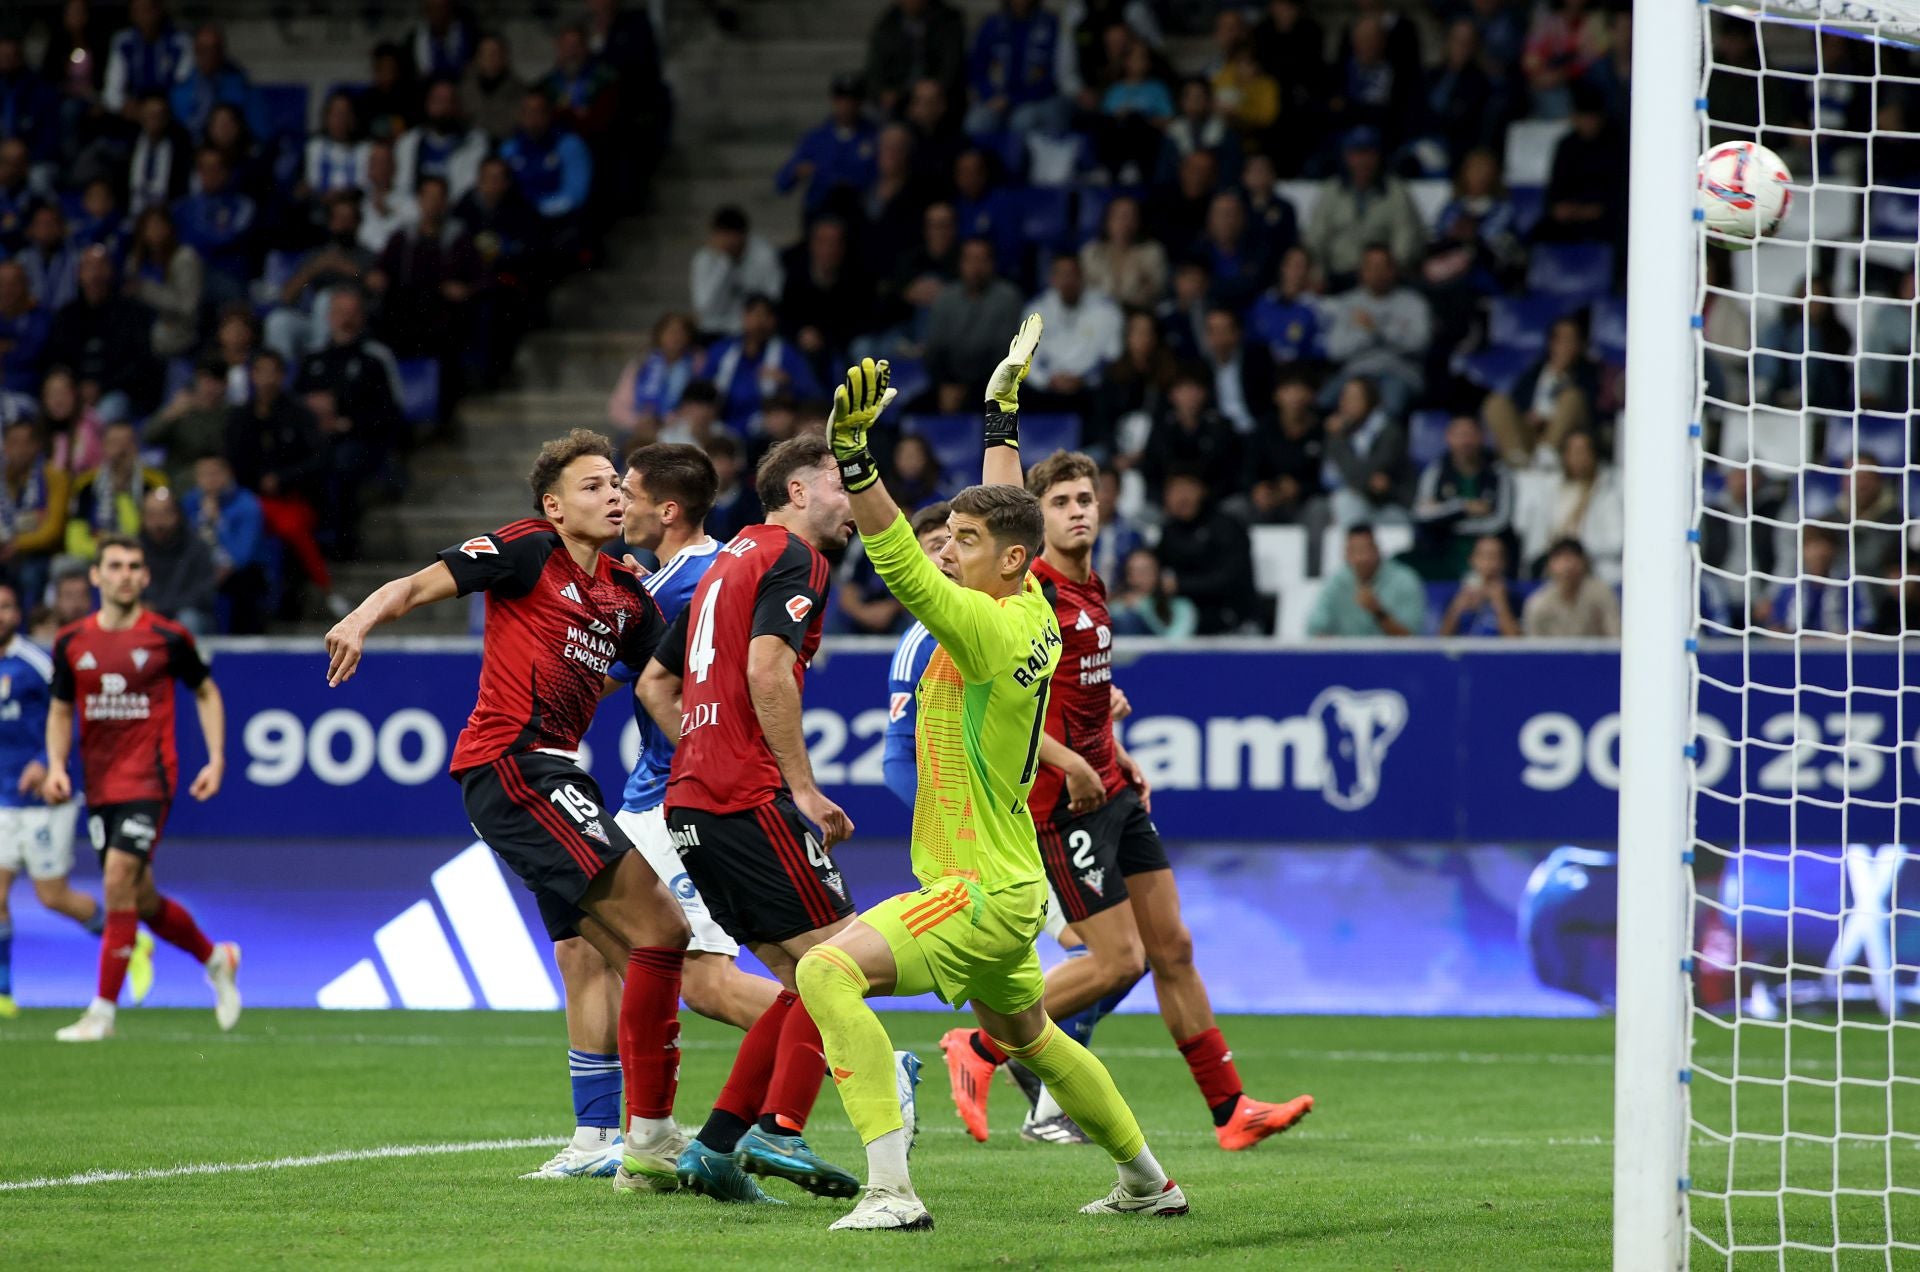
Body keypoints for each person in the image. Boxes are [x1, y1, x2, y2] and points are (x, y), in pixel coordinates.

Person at [801, 336, 1187, 1230]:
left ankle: (891, 1193)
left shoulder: (984, 628)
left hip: (975, 889)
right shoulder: (1036, 601)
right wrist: (1000, 416)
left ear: (1007, 562)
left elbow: (894, 557)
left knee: (825, 972)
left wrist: (857, 459)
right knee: (1032, 1038)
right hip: (1014, 881)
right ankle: (1148, 1181)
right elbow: (1008, 511)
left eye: (963, 544)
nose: (947, 552)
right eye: (949, 540)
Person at [323, 428, 689, 1187]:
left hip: (559, 771)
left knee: (585, 953)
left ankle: (595, 1140)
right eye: (592, 486)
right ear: (552, 507)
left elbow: (665, 676)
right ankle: (665, 1130)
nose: (614, 494)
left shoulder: (625, 590)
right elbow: (417, 586)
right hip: (513, 763)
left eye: (617, 483)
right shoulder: (526, 548)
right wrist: (359, 619)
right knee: (660, 931)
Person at [944, 443, 1308, 1145]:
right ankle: (979, 1044)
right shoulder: (1032, 592)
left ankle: (1232, 1111)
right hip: (1061, 803)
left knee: (1173, 947)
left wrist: (1116, 754)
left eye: (1086, 499)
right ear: (1036, 517)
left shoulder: (1091, 585)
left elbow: (1075, 701)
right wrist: (1073, 765)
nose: (1078, 512)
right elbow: (992, 707)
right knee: (1119, 961)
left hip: (1110, 790)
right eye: (1060, 503)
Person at [519, 443, 780, 1182]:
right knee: (582, 947)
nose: (616, 502)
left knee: (698, 978)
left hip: (680, 798)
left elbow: (615, 682)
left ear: (665, 509)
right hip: (646, 794)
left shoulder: (687, 585)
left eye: (623, 490)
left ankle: (863, 1056)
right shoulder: (674, 577)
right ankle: (596, 1134)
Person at [634, 435, 868, 1204]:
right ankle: (782, 1128)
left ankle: (714, 1148)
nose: (852, 502)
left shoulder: (726, 562)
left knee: (805, 978)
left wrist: (702, 750)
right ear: (798, 492)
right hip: (745, 797)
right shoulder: (795, 559)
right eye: (840, 485)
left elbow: (655, 686)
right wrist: (798, 788)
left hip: (692, 801)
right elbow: (768, 669)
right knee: (845, 962)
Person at [44, 532, 236, 1041]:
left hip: (151, 778)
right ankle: (215, 958)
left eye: (134, 566)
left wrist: (216, 758)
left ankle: (101, 1013)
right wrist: (57, 765)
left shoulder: (168, 637)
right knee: (140, 898)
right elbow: (62, 709)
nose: (125, 574)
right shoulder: (71, 643)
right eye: (115, 565)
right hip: (101, 785)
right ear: (96, 575)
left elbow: (206, 691)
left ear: (145, 577)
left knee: (116, 880)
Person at [0, 580, 113, 1020]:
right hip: (1, 798)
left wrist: (47, 760)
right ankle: (5, 991)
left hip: (43, 798)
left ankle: (124, 939)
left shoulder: (35, 663)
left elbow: (69, 712)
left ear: (19, 613)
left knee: (52, 897)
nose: (1, 615)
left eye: (7, 607)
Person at [880, 500, 953, 809]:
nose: (949, 554)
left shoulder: (1010, 614)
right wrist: (941, 821)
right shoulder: (918, 647)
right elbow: (897, 759)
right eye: (937, 546)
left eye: (958, 540)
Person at [1411, 414, 1513, 581]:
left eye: (1470, 435)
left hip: (1488, 555)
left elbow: (1500, 521)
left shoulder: (1499, 473)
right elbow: (1421, 514)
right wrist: (1464, 506)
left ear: (1481, 437)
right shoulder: (1435, 472)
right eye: (1459, 435)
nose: (1465, 442)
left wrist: (1447, 521)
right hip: (1444, 551)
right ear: (1448, 438)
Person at [182, 455, 267, 634]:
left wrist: (218, 522)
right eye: (204, 475)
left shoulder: (247, 505)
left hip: (238, 579)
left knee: (245, 583)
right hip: (198, 577)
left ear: (228, 474)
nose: (210, 480)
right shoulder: (189, 503)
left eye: (215, 474)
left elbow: (242, 557)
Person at [775, 74, 879, 216]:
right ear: (833, 101)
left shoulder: (874, 137)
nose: (846, 105)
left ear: (860, 102)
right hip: (820, 212)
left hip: (859, 213)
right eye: (841, 99)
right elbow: (782, 183)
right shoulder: (815, 139)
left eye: (852, 99)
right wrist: (796, 171)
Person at [0, 418, 73, 608]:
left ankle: (30, 624)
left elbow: (53, 530)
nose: (19, 450)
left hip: (41, 555)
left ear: (37, 446)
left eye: (26, 443)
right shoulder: (2, 479)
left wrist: (17, 545)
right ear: (5, 446)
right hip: (6, 550)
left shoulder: (54, 476)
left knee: (29, 574)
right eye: (13, 443)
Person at [1308, 522, 1426, 636]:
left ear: (1377, 550)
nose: (1360, 558)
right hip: (1348, 654)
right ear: (1346, 554)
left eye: (1365, 550)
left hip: (1391, 655)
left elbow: (1411, 638)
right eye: (1354, 551)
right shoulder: (1336, 582)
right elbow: (1314, 629)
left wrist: (1378, 611)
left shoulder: (1405, 580)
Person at [689, 206, 784, 340]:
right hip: (714, 330)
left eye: (732, 237)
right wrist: (724, 263)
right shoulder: (703, 259)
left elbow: (774, 295)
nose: (728, 242)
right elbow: (704, 306)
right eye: (722, 236)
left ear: (743, 235)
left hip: (751, 330)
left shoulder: (764, 255)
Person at [138, 485, 216, 631]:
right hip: (144, 614)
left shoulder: (197, 548)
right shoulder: (134, 550)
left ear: (178, 514)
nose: (158, 523)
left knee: (189, 619)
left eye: (165, 514)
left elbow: (203, 595)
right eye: (151, 515)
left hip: (183, 614)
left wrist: (160, 608)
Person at [1522, 536, 1618, 637]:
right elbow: (1534, 648)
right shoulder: (1537, 604)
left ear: (1584, 562)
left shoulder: (1601, 593)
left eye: (1573, 557)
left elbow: (1615, 638)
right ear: (1549, 565)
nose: (1568, 565)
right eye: (1560, 558)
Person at [1438, 534, 1520, 637]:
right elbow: (1442, 638)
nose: (1489, 562)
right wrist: (1457, 608)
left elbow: (1516, 641)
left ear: (1504, 562)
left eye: (1495, 556)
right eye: (1483, 556)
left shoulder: (1513, 595)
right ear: (1472, 560)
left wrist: (1500, 603)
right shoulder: (1456, 593)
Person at [1110, 545, 1197, 637]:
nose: (1137, 578)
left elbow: (1174, 641)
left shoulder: (1181, 607)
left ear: (1159, 574)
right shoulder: (1118, 606)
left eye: (1144, 571)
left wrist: (1144, 606)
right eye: (1131, 572)